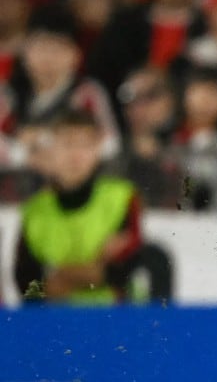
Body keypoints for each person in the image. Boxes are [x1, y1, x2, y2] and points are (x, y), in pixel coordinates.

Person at [13, 109, 142, 304]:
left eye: (84, 145)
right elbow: (27, 284)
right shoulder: (34, 211)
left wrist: (60, 275)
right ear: (52, 150)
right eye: (67, 144)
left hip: (116, 321)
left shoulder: (121, 197)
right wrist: (92, 270)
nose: (75, 155)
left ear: (98, 150)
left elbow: (128, 269)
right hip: (55, 325)